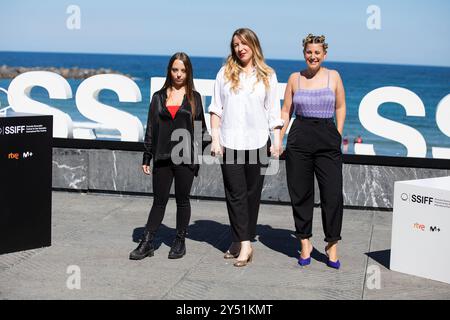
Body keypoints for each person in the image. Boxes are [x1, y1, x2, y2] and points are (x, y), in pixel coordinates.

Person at [209, 28, 283, 267]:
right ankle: (246, 245)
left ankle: (237, 240)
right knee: (235, 195)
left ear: (253, 45)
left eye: (243, 43)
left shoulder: (268, 76)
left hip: (258, 143)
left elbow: (273, 112)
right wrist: (215, 140)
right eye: (235, 45)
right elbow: (216, 108)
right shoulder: (224, 73)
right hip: (230, 143)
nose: (239, 48)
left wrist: (277, 140)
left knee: (252, 196)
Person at [130, 52, 209, 260]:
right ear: (169, 71)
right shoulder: (158, 97)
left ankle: (179, 241)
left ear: (188, 72)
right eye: (175, 70)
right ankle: (147, 242)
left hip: (185, 159)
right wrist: (147, 157)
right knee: (159, 201)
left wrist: (197, 157)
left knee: (183, 201)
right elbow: (150, 129)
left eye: (183, 70)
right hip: (163, 158)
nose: (179, 74)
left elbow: (202, 131)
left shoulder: (194, 98)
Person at [279, 34, 346, 269]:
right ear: (304, 53)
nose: (313, 56)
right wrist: (279, 139)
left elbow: (340, 106)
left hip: (327, 137)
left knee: (333, 194)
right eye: (309, 52)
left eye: (317, 52)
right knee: (301, 194)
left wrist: (336, 134)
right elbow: (286, 111)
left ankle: (332, 244)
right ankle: (305, 242)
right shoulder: (294, 79)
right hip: (300, 136)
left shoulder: (334, 76)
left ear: (324, 54)